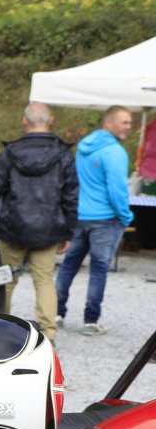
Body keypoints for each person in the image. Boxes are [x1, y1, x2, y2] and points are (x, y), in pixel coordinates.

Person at [0, 102, 76, 340]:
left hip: (13, 228)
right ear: (51, 121)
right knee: (44, 280)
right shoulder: (63, 154)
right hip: (49, 229)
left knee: (5, 280)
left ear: (24, 122)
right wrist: (69, 231)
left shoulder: (10, 153)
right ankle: (48, 334)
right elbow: (71, 195)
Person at [56, 106, 136, 336]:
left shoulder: (84, 147)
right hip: (106, 219)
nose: (129, 127)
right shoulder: (115, 152)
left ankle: (56, 313)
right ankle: (91, 321)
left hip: (81, 216)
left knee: (69, 266)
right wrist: (126, 216)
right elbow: (117, 190)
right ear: (109, 123)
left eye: (130, 123)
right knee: (98, 270)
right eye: (124, 122)